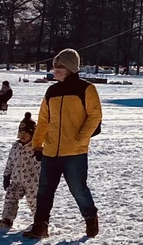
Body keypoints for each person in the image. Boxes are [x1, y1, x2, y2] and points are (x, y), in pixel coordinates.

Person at [23, 48, 101, 240]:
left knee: (78, 189)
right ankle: (40, 226)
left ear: (70, 68)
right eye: (55, 66)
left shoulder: (86, 89)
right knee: (44, 191)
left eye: (60, 66)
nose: (55, 70)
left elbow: (95, 116)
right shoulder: (51, 91)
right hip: (50, 151)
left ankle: (90, 216)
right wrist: (37, 144)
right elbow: (43, 120)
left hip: (75, 152)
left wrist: (81, 139)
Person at [0, 113, 40, 231]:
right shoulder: (15, 147)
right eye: (20, 133)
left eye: (25, 134)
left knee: (35, 201)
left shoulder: (36, 148)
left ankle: (38, 221)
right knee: (10, 198)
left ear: (32, 134)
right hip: (16, 180)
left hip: (33, 182)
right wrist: (7, 175)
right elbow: (10, 162)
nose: (22, 136)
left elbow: (46, 163)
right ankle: (7, 219)